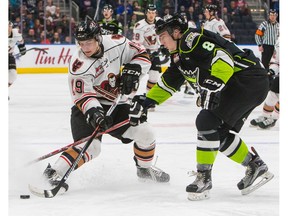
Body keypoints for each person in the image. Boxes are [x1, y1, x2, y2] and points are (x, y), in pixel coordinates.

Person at [132, 14, 274, 200]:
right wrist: (147, 101)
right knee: (218, 133)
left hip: (246, 79)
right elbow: (169, 83)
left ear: (176, 32)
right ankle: (255, 165)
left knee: (206, 121)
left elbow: (222, 57)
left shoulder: (191, 40)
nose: (161, 42)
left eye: (163, 37)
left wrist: (215, 82)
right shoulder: (179, 55)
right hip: (249, 83)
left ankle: (204, 178)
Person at [42, 19, 170, 194]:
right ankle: (54, 173)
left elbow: (142, 54)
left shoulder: (116, 42)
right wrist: (95, 114)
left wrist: (134, 68)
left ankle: (144, 170)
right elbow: (83, 97)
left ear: (98, 38)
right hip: (88, 108)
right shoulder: (78, 65)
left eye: (89, 42)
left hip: (118, 104)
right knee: (92, 147)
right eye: (81, 43)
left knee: (146, 133)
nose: (85, 48)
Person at [132, 4, 169, 109]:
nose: (152, 15)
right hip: (143, 54)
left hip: (155, 53)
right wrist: (144, 53)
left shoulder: (159, 21)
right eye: (149, 13)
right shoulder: (140, 25)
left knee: (154, 76)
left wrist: (164, 46)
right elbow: (136, 44)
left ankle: (149, 99)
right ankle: (129, 98)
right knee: (137, 77)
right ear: (146, 13)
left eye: (153, 13)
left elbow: (164, 35)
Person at [250, 37, 279, 129]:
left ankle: (274, 118)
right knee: (273, 94)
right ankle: (265, 116)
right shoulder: (279, 40)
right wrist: (272, 70)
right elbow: (277, 61)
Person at [8, 21, 26, 88]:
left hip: (9, 55)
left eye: (9, 26)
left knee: (13, 75)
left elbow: (21, 42)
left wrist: (22, 48)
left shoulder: (16, 33)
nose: (8, 28)